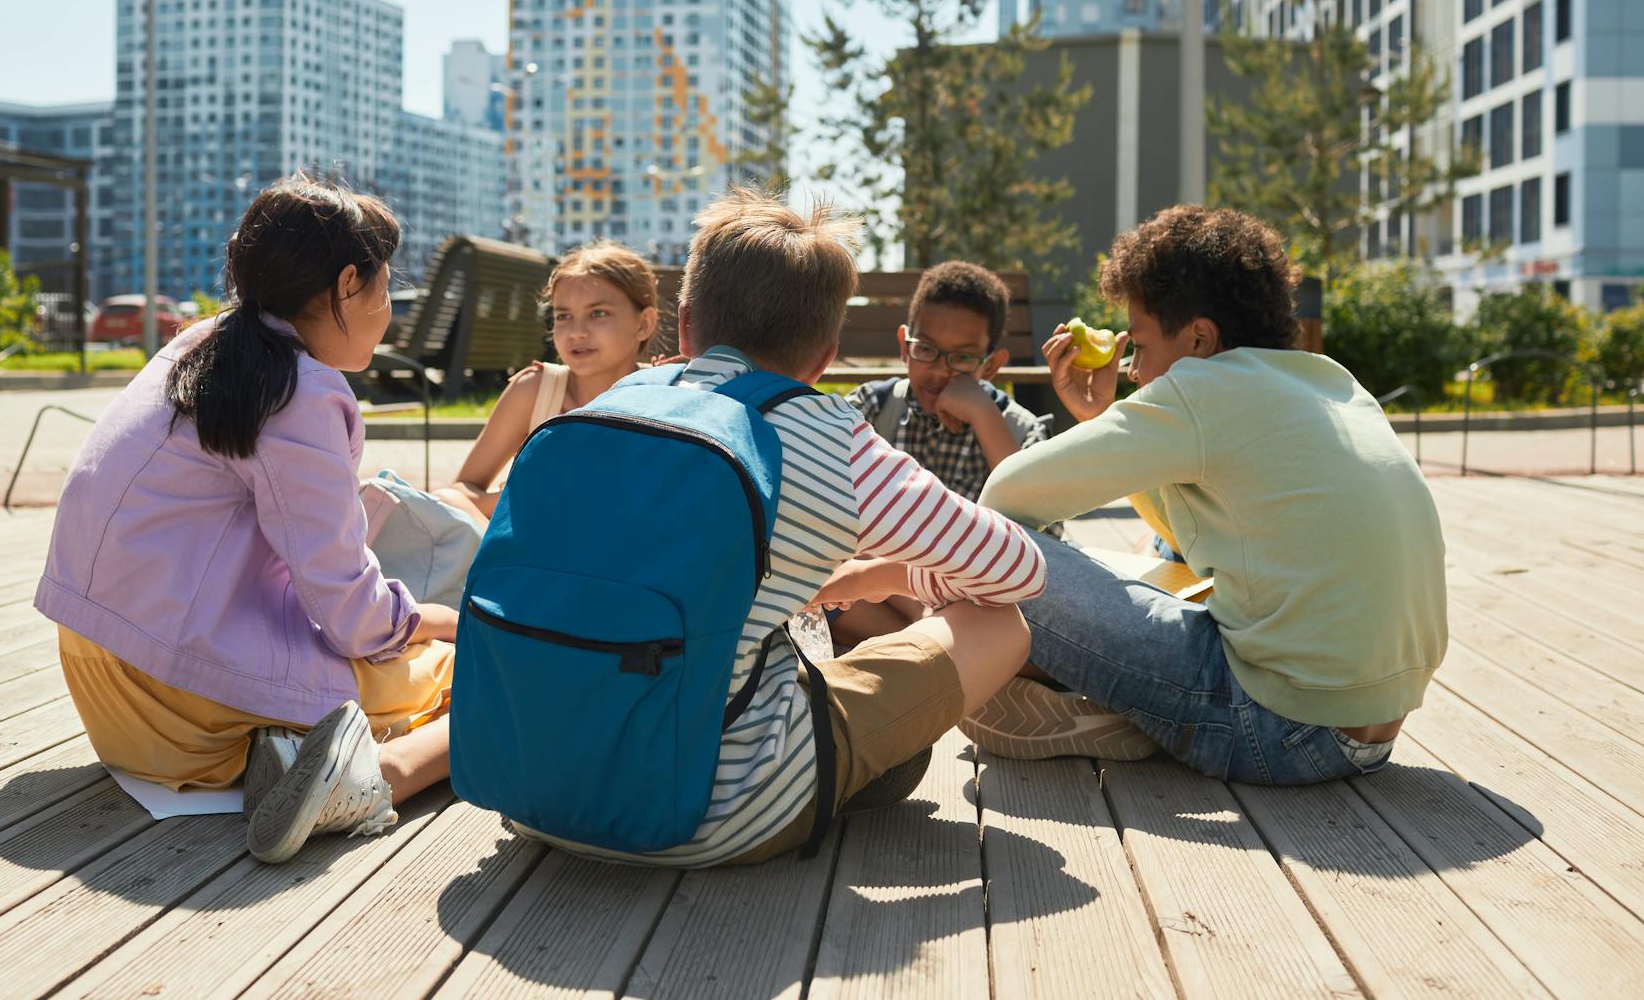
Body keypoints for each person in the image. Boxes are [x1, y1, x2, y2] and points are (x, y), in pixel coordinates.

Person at [495, 189, 1048, 866]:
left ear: (686, 325)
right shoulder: (830, 434)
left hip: (533, 787)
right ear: (824, 357)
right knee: (1000, 621)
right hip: (708, 813)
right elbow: (1021, 569)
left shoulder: (608, 405)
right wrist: (896, 572)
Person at [36, 175, 457, 864]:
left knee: (395, 646)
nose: (390, 313)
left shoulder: (201, 347)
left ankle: (287, 746)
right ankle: (371, 772)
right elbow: (349, 608)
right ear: (348, 285)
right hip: (181, 698)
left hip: (101, 676)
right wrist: (434, 619)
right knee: (467, 670)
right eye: (385, 290)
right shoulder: (302, 390)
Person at [966, 205, 1447, 783]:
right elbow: (1203, 536)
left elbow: (1003, 497)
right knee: (1167, 550)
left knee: (984, 548)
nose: (1135, 371)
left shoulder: (1201, 387)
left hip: (1274, 729)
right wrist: (1102, 416)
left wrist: (1105, 424)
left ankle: (1116, 706)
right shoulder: (1329, 380)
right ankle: (1119, 708)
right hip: (1375, 729)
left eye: (1139, 345)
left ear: (1199, 338)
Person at [444, 241, 660, 520]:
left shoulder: (665, 394)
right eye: (563, 316)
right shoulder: (535, 391)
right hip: (538, 556)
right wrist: (526, 494)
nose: (576, 332)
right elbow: (460, 491)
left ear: (644, 324)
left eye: (598, 313)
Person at [845, 260, 1050, 502]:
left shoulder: (1022, 431)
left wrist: (984, 415)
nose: (941, 371)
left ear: (991, 365)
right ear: (904, 345)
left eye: (963, 357)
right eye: (926, 348)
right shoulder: (871, 410)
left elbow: (1047, 530)